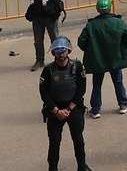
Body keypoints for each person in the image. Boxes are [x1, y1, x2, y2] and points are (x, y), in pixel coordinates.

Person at [39, 37, 89, 171]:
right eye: (58, 52)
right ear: (53, 53)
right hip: (55, 110)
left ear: (69, 51)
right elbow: (44, 93)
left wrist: (69, 108)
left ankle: (82, 166)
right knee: (54, 143)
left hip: (73, 108)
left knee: (78, 140)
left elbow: (81, 90)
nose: (61, 54)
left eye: (63, 51)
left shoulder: (77, 67)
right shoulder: (48, 70)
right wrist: (56, 111)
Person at [79, 0, 127, 118]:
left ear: (97, 9)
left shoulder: (91, 25)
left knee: (97, 84)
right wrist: (123, 49)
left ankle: (95, 109)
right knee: (118, 82)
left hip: (98, 60)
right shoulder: (118, 22)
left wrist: (92, 51)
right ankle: (123, 104)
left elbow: (81, 41)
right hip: (115, 58)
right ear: (110, 8)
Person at [26, 0, 67, 71]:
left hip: (51, 15)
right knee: (38, 40)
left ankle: (58, 60)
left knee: (55, 38)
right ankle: (39, 60)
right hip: (38, 15)